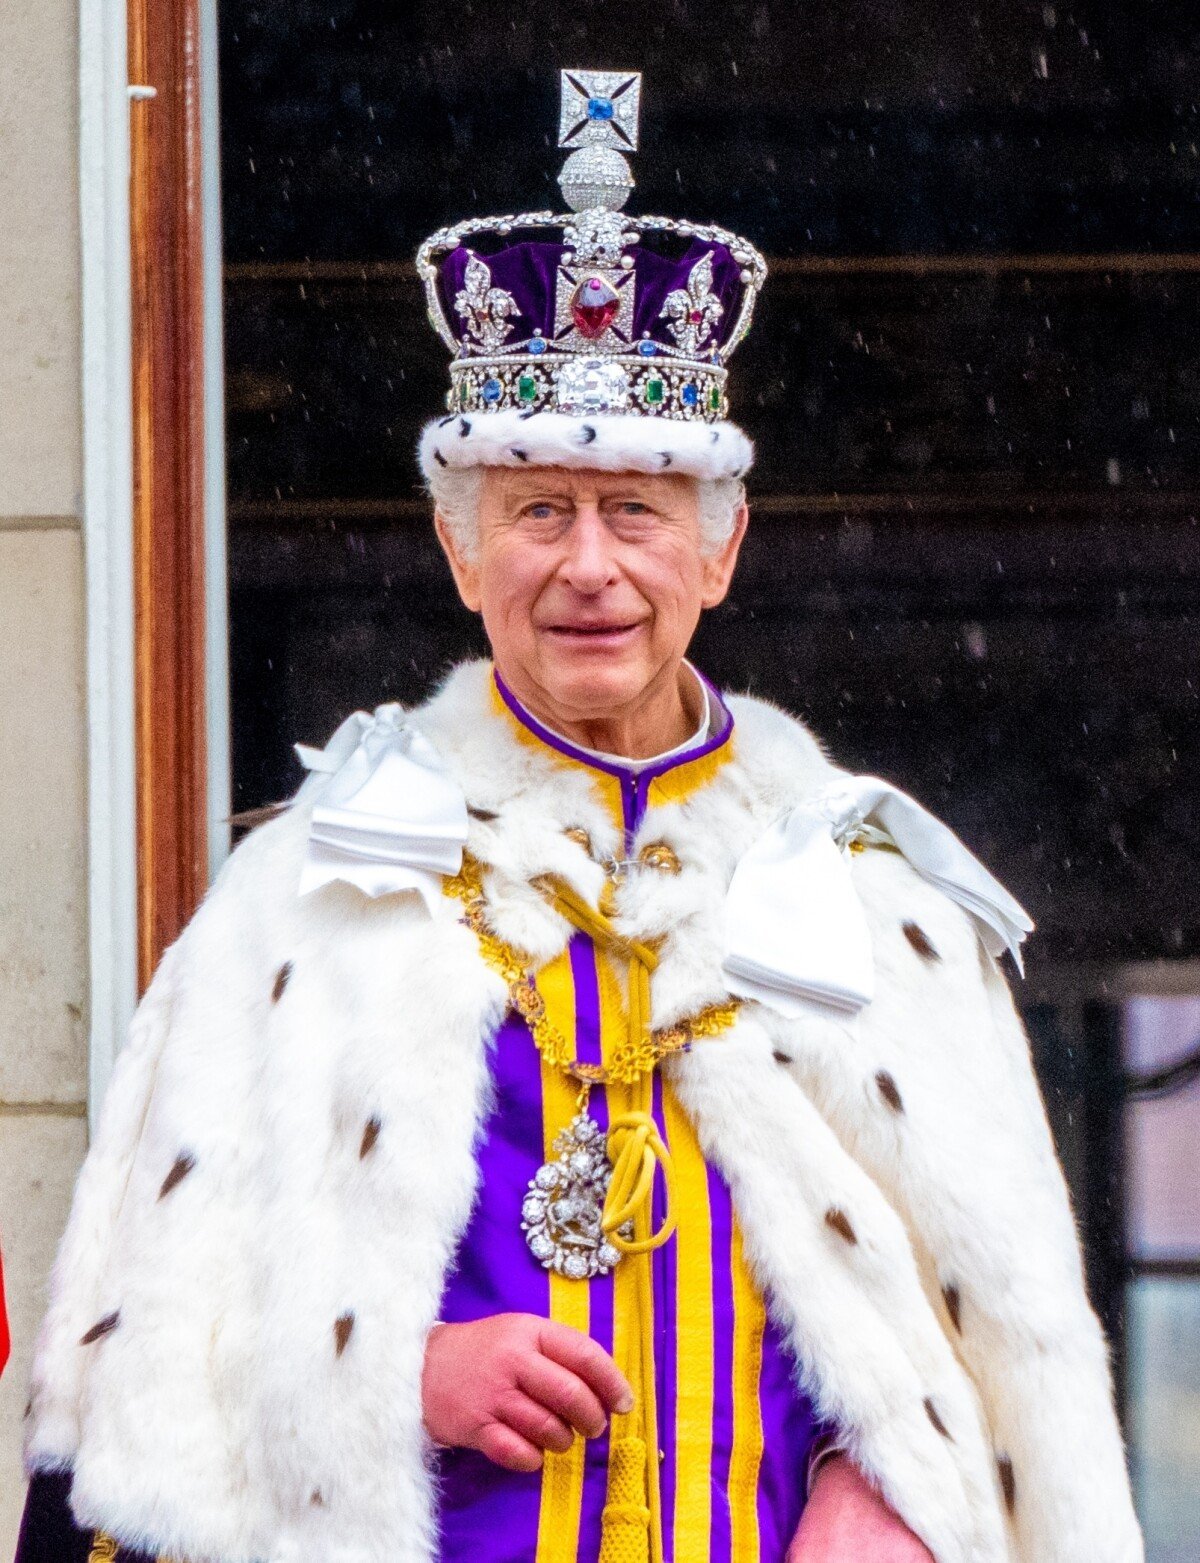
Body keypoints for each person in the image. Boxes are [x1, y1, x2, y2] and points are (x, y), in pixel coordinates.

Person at [17, 68, 1141, 1563]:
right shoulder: (308, 894)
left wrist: (903, 1483)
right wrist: (384, 1378)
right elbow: (140, 1375)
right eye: (539, 512)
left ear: (720, 551)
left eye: (637, 512)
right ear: (462, 551)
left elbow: (986, 1355)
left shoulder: (874, 897)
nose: (590, 566)